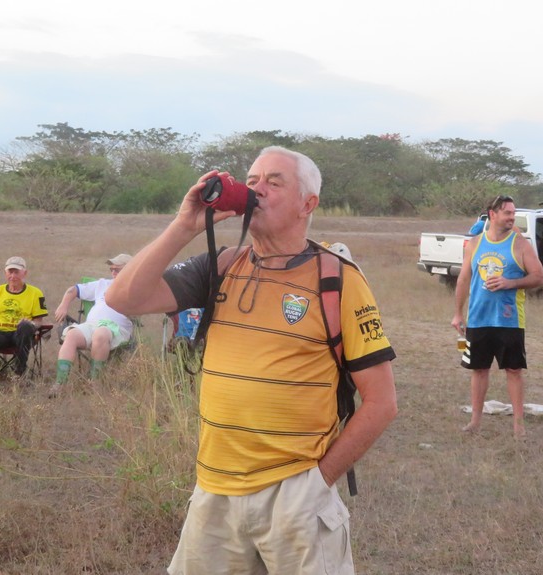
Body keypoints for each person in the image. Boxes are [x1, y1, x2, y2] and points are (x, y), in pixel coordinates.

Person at [106, 146, 397, 574]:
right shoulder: (222, 265)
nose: (257, 190)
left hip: (295, 492)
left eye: (274, 182)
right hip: (214, 490)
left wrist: (317, 482)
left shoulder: (337, 279)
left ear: (307, 204)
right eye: (253, 180)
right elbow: (122, 298)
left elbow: (382, 402)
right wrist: (184, 225)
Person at [452, 195, 543, 437]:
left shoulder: (520, 244)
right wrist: (458, 313)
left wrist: (509, 283)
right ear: (492, 214)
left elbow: (539, 277)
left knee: (513, 370)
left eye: (513, 213)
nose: (512, 217)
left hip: (509, 319)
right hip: (478, 318)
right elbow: (463, 279)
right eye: (507, 213)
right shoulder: (475, 243)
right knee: (479, 369)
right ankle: (475, 421)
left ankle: (518, 425)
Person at [49, 254, 135, 396]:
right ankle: (60, 383)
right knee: (71, 334)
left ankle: (94, 383)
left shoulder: (135, 289)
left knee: (100, 334)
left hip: (116, 328)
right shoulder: (102, 284)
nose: (113, 273)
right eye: (111, 269)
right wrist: (63, 305)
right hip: (92, 325)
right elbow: (74, 289)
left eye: (117, 270)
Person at [0, 256, 48, 378]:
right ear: (5, 273)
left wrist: (30, 324)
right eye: (10, 272)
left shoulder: (36, 293)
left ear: (24, 273)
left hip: (22, 335)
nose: (13, 276)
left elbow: (39, 322)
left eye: (16, 272)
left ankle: (19, 372)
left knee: (25, 326)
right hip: (0, 333)